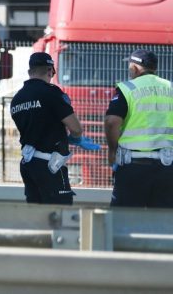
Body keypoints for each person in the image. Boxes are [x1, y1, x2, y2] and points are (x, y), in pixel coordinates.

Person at [9, 51, 98, 204]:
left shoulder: (17, 99)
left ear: (30, 71)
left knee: (36, 211)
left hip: (28, 164)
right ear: (50, 71)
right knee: (60, 211)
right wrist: (76, 139)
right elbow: (75, 128)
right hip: (50, 164)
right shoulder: (51, 92)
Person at [105, 49, 173, 208]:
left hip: (134, 166)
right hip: (167, 167)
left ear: (134, 68)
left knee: (124, 218)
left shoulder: (127, 88)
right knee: (164, 219)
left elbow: (111, 122)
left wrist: (112, 151)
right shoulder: (170, 88)